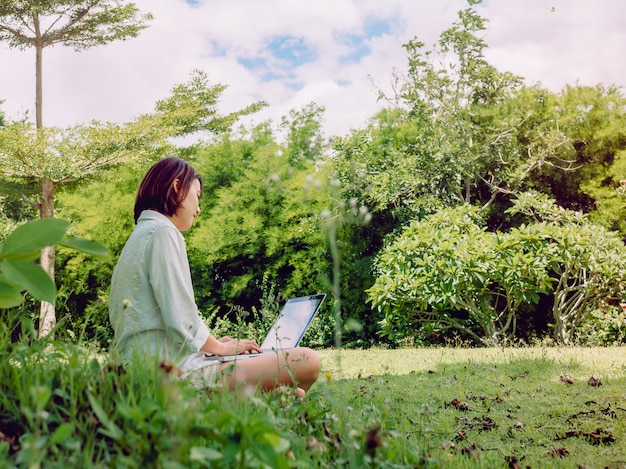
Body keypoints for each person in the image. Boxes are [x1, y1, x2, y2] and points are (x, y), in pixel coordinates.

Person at [109, 157, 320, 397]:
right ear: (177, 186)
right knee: (307, 360)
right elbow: (182, 322)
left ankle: (253, 406)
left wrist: (211, 346)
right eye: (197, 196)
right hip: (171, 375)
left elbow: (167, 323)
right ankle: (220, 404)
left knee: (291, 393)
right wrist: (220, 347)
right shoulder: (163, 232)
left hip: (148, 368)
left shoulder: (142, 236)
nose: (198, 209)